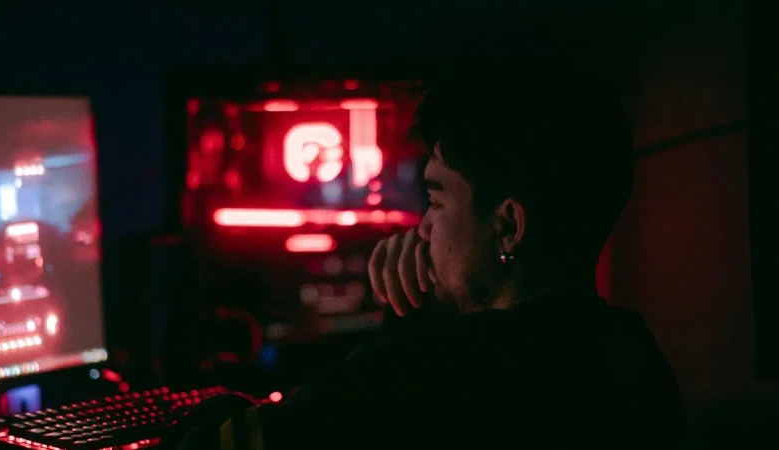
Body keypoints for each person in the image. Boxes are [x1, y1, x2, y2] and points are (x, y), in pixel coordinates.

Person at [174, 52, 684, 450]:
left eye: (438, 200)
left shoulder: (420, 380)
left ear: (508, 227)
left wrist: (410, 324)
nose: (422, 228)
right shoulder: (632, 354)